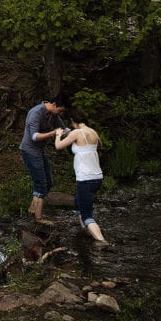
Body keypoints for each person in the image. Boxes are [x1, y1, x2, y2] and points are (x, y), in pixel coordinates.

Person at [54, 112, 106, 243]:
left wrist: (58, 135)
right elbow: (99, 145)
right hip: (97, 177)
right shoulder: (93, 132)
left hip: (85, 178)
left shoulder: (76, 133)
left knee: (87, 215)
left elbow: (58, 146)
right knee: (78, 201)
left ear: (73, 122)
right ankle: (84, 230)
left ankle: (102, 242)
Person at [18, 94, 68, 226]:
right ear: (54, 105)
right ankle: (39, 220)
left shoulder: (53, 114)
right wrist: (53, 134)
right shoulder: (36, 113)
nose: (60, 113)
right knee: (40, 184)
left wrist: (79, 132)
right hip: (29, 151)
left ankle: (33, 208)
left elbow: (64, 129)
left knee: (49, 182)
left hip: (40, 151)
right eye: (60, 110)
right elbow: (34, 136)